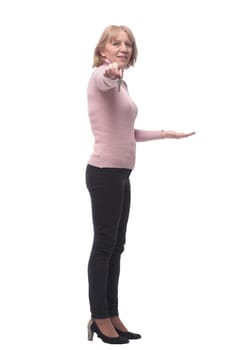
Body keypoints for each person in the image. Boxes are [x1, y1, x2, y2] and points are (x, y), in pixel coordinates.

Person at [85, 24, 195, 345]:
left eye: (128, 44)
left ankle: (112, 313)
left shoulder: (123, 85)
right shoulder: (101, 78)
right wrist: (113, 71)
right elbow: (104, 79)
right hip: (103, 173)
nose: (124, 48)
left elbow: (126, 133)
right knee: (104, 246)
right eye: (116, 43)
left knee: (117, 246)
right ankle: (98, 315)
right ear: (102, 50)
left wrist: (165, 134)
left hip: (121, 174)